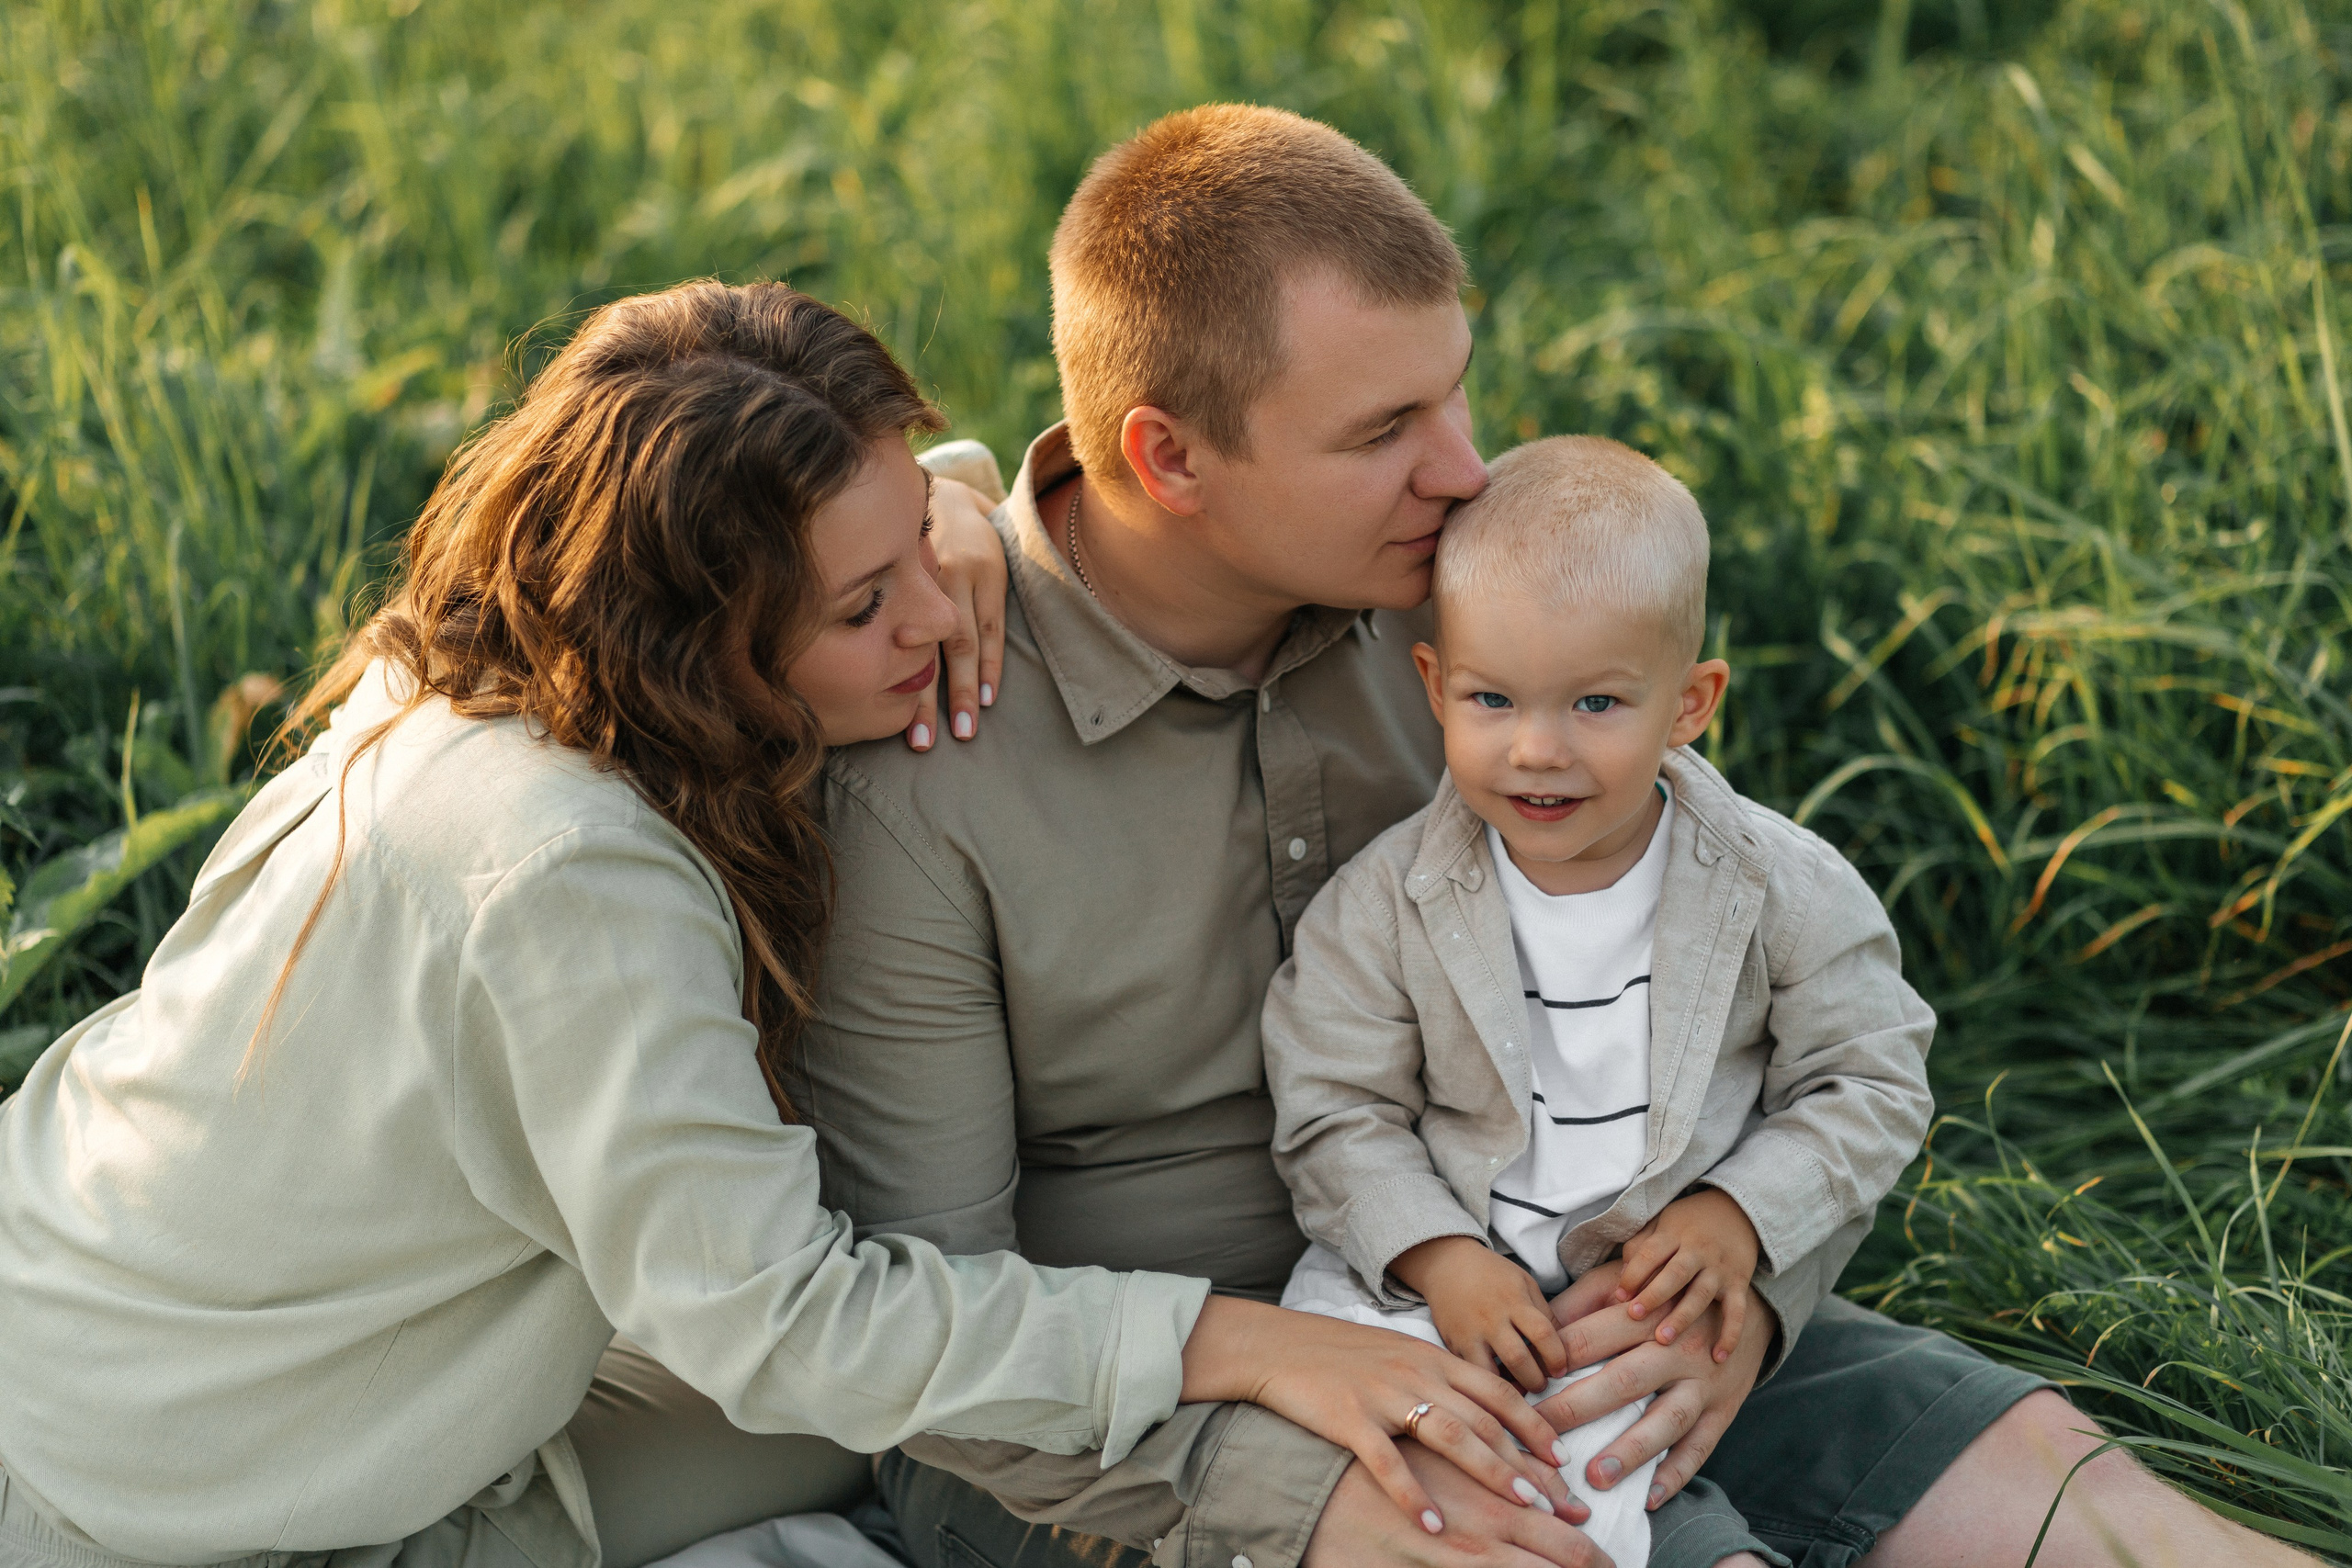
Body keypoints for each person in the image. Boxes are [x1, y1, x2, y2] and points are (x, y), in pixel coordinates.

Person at [794, 105, 2323, 1568]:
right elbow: (933, 1322)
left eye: (1452, 393)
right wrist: (1292, 1493)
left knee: (2064, 1493)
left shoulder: (1462, 596)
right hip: (1146, 1415)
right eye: (1385, 429)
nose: (1464, 468)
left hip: (1558, 1286)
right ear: (1172, 459)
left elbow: (1734, 976)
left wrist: (1738, 1295)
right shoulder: (922, 754)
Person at [0, 280, 1578, 1568]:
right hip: (186, 1490)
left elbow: (819, 507)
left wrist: (958, 504)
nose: (939, 617)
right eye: (863, 604)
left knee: (911, 1413)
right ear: (694, 644)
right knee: (894, 1412)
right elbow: (782, 1321)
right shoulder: (570, 878)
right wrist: (1238, 1342)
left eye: (918, 550)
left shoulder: (493, 651)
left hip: (94, 1291)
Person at [1265, 435, 1942, 1568]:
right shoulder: (1384, 904)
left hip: (1645, 1300)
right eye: (1491, 698)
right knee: (1396, 1479)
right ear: (1432, 684)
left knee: (1596, 1484)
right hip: (1425, 1295)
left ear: (1689, 703)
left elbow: (1870, 1075)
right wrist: (1438, 1255)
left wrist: (1737, 1214)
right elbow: (1333, 1108)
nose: (1537, 750)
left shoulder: (1776, 886)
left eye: (1595, 702)